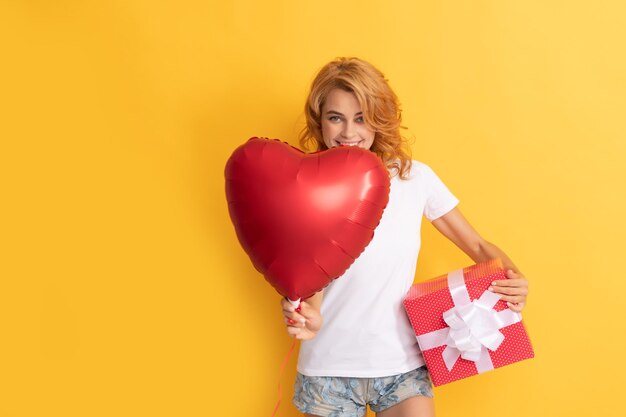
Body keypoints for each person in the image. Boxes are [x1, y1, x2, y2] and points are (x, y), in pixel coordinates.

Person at [280, 57, 529, 417]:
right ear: (320, 121)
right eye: (336, 117)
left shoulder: (414, 179)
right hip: (328, 370)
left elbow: (476, 245)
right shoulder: (307, 186)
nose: (349, 132)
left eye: (361, 117)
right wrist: (306, 314)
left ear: (379, 118)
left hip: (403, 366)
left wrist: (514, 280)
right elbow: (311, 274)